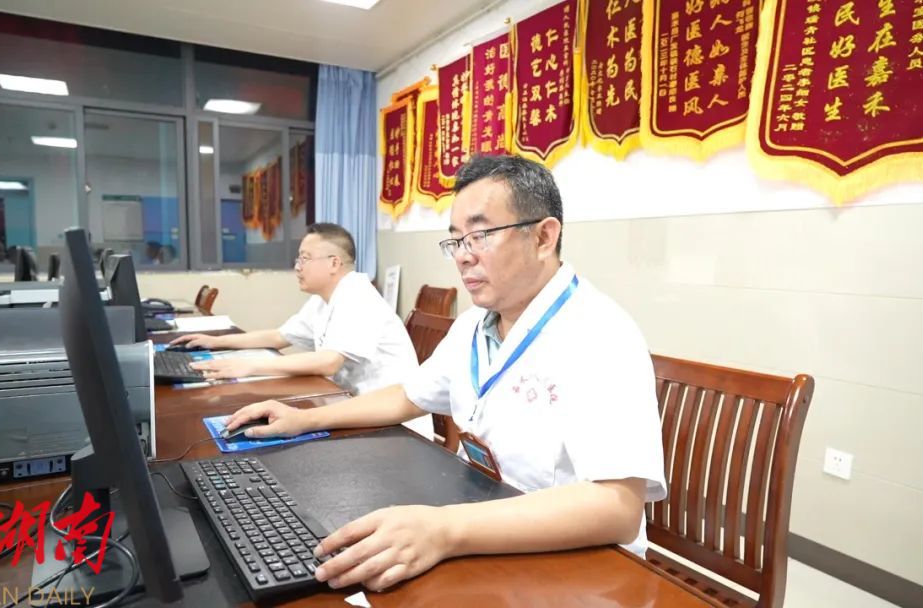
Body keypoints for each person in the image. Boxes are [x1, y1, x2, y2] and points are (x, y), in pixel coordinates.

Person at [222, 155, 666, 592]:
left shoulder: (600, 332)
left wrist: (444, 529)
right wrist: (304, 418)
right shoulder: (476, 323)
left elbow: (617, 508)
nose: (463, 257)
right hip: (482, 520)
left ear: (544, 237)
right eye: (456, 241)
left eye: (480, 235)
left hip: (579, 568)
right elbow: (408, 396)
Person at [170, 223, 418, 396]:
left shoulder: (357, 295)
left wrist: (247, 366)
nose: (297, 267)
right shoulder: (323, 299)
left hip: (392, 424)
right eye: (298, 259)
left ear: (334, 263)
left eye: (305, 258)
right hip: (348, 401)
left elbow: (328, 362)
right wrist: (216, 342)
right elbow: (279, 337)